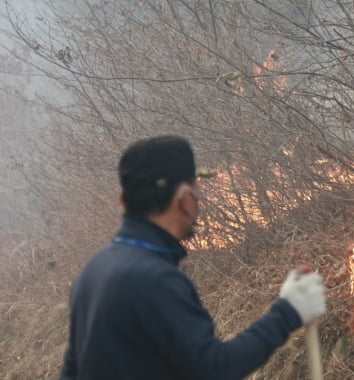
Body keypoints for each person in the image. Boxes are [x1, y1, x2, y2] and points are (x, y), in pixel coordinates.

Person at [60, 135, 326, 380]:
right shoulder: (155, 280)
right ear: (185, 198)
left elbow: (72, 372)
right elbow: (215, 368)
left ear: (123, 199)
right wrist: (288, 311)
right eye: (196, 190)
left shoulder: (93, 271)